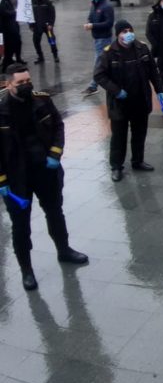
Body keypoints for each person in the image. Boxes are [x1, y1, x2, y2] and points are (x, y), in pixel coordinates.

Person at [0, 63, 88, 291]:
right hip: (16, 178)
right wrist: (2, 181)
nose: (26, 85)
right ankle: (26, 270)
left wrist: (55, 153)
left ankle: (64, 250)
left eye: (28, 81)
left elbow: (58, 126)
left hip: (45, 171)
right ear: (8, 84)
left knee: (55, 212)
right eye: (20, 83)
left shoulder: (42, 100)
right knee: (20, 225)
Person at [94, 20, 163, 182]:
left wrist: (160, 89)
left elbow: (153, 72)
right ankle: (116, 166)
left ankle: (138, 161)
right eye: (124, 31)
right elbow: (99, 75)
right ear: (118, 35)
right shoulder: (108, 53)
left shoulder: (142, 48)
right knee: (119, 136)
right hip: (120, 103)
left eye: (130, 30)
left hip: (140, 99)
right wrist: (116, 91)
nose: (128, 34)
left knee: (139, 133)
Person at [83, 0, 115, 95]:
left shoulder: (106, 7)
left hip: (104, 38)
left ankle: (93, 86)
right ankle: (114, 80)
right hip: (97, 39)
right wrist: (88, 22)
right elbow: (91, 16)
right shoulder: (94, 5)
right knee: (106, 61)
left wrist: (93, 26)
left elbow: (109, 23)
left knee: (99, 62)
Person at [30, 0, 58, 64]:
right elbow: (29, 15)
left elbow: (52, 14)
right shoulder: (32, 2)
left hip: (47, 27)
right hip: (37, 26)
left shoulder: (47, 2)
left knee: (52, 41)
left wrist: (51, 24)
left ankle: (55, 56)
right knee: (36, 42)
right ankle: (40, 57)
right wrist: (31, 25)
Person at [0, 0, 23, 72]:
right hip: (5, 28)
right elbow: (3, 12)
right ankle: (5, 65)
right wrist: (14, 12)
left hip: (12, 25)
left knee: (17, 42)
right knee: (7, 47)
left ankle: (15, 59)